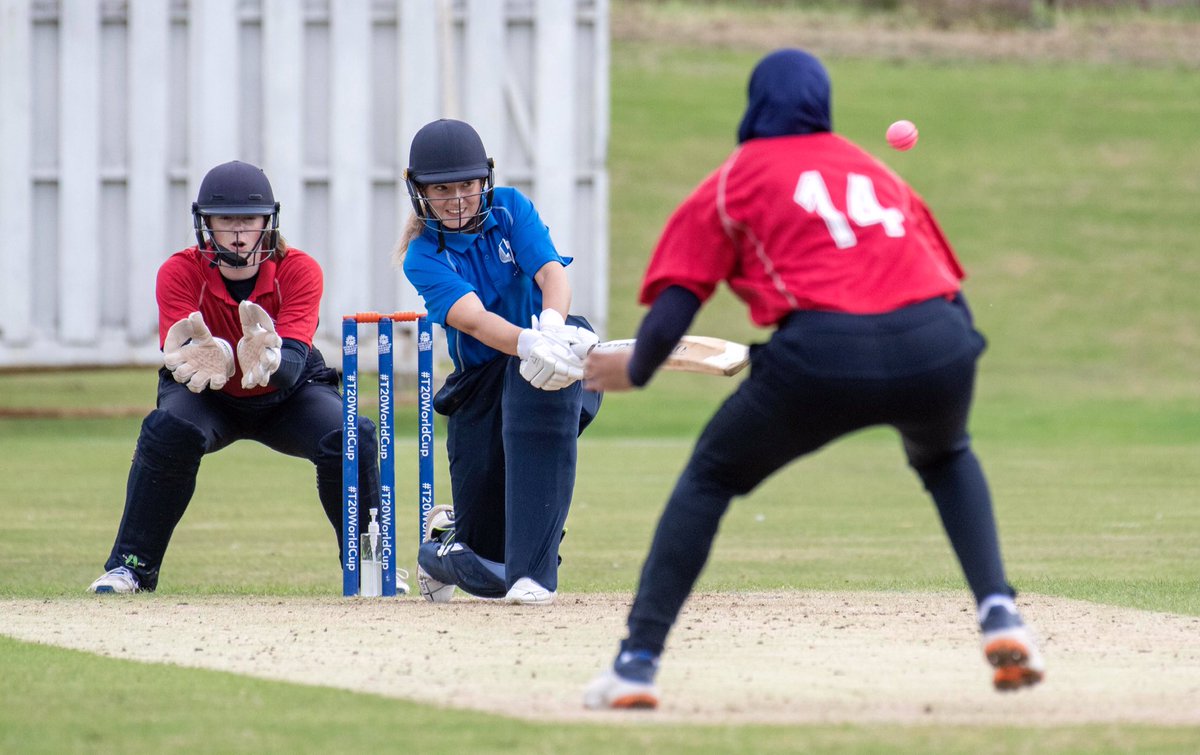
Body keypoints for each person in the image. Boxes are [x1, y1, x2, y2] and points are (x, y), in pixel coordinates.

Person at [581, 49, 1044, 709]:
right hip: (937, 344)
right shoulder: (877, 172)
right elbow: (951, 294)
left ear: (754, 105)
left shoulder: (734, 180)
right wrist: (948, 358)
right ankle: (1000, 612)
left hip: (824, 354)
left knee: (710, 478)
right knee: (947, 457)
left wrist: (635, 370)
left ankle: (636, 665)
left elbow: (677, 303)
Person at [87, 160, 404, 594]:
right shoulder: (178, 272)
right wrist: (217, 354)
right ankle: (130, 568)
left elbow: (291, 367)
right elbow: (183, 357)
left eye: (249, 220)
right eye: (225, 220)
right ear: (206, 225)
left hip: (289, 394)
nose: (238, 233)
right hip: (207, 393)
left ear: (267, 223)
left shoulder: (299, 269)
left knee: (353, 436)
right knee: (166, 431)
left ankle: (372, 568)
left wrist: (269, 360)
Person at [396, 118, 601, 606]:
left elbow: (551, 273)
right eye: (442, 189)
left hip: (547, 358)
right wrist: (531, 344)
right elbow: (474, 320)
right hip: (481, 387)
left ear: (485, 179)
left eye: (467, 185)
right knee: (484, 565)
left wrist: (552, 327)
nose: (458, 200)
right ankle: (441, 547)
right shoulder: (421, 256)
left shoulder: (510, 208)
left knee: (543, 384)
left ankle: (535, 575)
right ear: (419, 191)